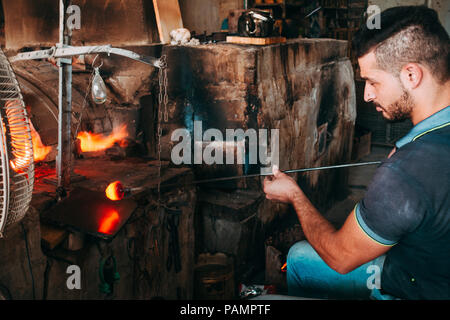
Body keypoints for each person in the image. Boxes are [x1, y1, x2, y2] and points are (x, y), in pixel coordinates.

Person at [263, 5, 450, 300]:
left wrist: (295, 195)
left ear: (412, 74)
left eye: (372, 82)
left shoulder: (404, 174)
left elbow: (340, 258)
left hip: (414, 285)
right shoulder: (416, 160)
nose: (367, 95)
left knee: (299, 258)